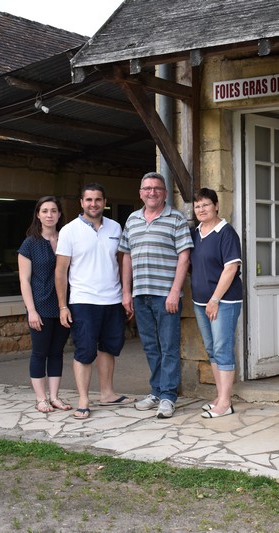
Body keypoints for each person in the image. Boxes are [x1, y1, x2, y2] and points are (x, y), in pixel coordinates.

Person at [120, 172, 193, 419]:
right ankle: (156, 391)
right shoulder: (132, 219)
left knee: (169, 347)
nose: (152, 192)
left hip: (166, 296)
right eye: (147, 188)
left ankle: (168, 396)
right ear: (140, 193)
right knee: (151, 347)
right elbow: (126, 256)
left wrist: (175, 292)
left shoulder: (176, 218)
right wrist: (127, 292)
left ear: (164, 192)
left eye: (157, 188)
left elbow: (184, 257)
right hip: (141, 295)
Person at [55, 183, 131, 420]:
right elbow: (60, 271)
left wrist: (126, 294)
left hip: (112, 298)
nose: (93, 204)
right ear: (81, 202)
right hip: (83, 300)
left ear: (105, 202)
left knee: (109, 348)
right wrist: (62, 306)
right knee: (85, 350)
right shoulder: (69, 231)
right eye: (89, 200)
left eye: (98, 199)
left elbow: (121, 263)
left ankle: (107, 393)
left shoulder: (115, 227)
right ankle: (83, 399)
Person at [189, 188, 242, 419]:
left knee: (222, 349)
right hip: (200, 302)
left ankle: (225, 403)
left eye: (206, 205)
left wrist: (214, 299)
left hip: (223, 301)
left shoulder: (226, 233)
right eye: (197, 205)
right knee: (211, 349)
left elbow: (231, 268)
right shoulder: (195, 234)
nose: (201, 209)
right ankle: (220, 396)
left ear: (216, 206)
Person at [18, 196, 72, 414]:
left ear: (59, 214)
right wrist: (31, 310)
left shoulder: (66, 239)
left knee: (57, 352)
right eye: (45, 211)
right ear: (38, 215)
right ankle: (41, 399)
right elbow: (24, 280)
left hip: (63, 305)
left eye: (54, 211)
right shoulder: (30, 243)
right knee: (40, 353)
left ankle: (55, 397)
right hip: (39, 306)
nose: (49, 215)